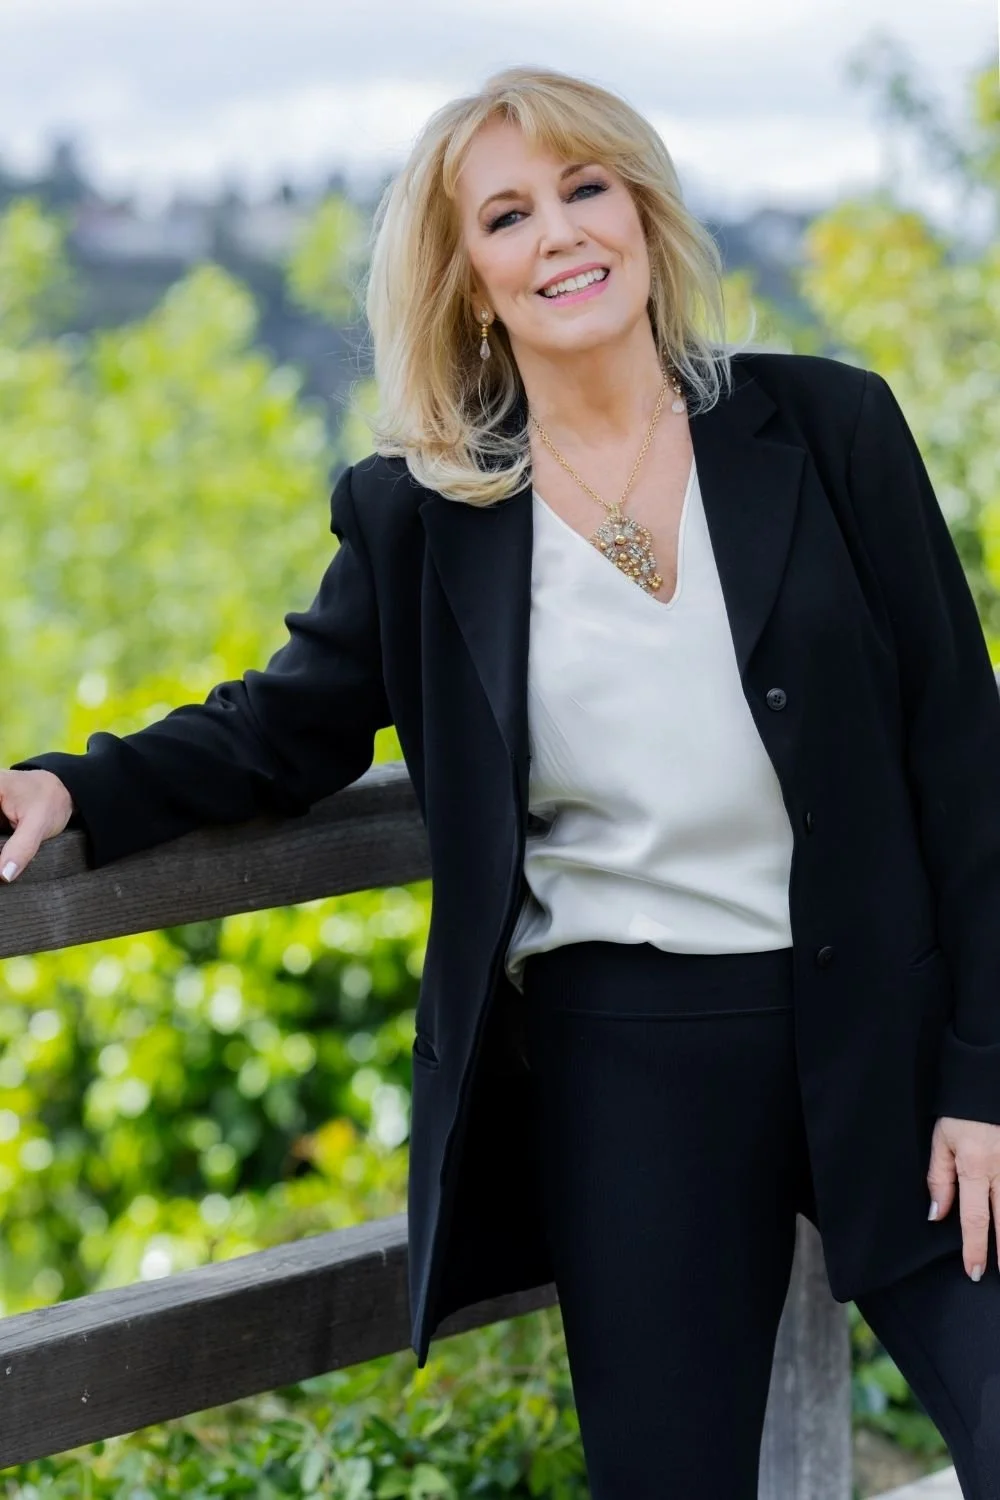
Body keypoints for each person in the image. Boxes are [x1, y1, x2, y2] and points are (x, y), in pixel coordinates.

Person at [2, 62, 1000, 1497]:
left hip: (892, 1029)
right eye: (509, 215)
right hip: (632, 1058)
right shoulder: (425, 514)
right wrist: (73, 789)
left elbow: (965, 766)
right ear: (469, 278)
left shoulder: (832, 430)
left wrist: (985, 1077)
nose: (561, 235)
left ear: (644, 213)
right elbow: (279, 728)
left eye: (587, 188)